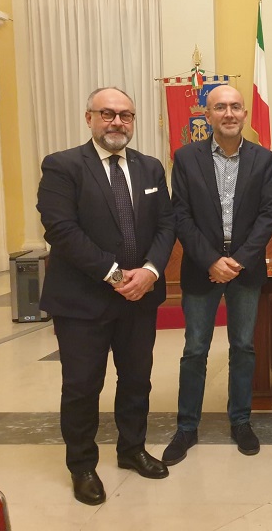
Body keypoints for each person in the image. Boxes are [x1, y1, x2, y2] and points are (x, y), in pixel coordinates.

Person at [37, 87, 175, 505]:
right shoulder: (62, 166)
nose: (117, 122)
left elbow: (166, 225)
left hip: (140, 297)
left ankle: (132, 449)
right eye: (108, 114)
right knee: (82, 386)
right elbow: (61, 230)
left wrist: (150, 272)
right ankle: (82, 465)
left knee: (137, 379)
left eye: (126, 115)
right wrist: (115, 276)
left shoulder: (150, 167)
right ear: (89, 118)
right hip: (83, 300)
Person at [163, 85, 272, 464]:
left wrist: (239, 260)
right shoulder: (186, 158)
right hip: (202, 269)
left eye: (235, 107)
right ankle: (186, 426)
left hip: (245, 269)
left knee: (243, 347)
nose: (228, 113)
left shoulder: (263, 159)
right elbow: (181, 215)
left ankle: (240, 421)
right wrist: (212, 260)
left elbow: (268, 214)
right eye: (220, 107)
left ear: (244, 114)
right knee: (195, 349)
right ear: (207, 114)